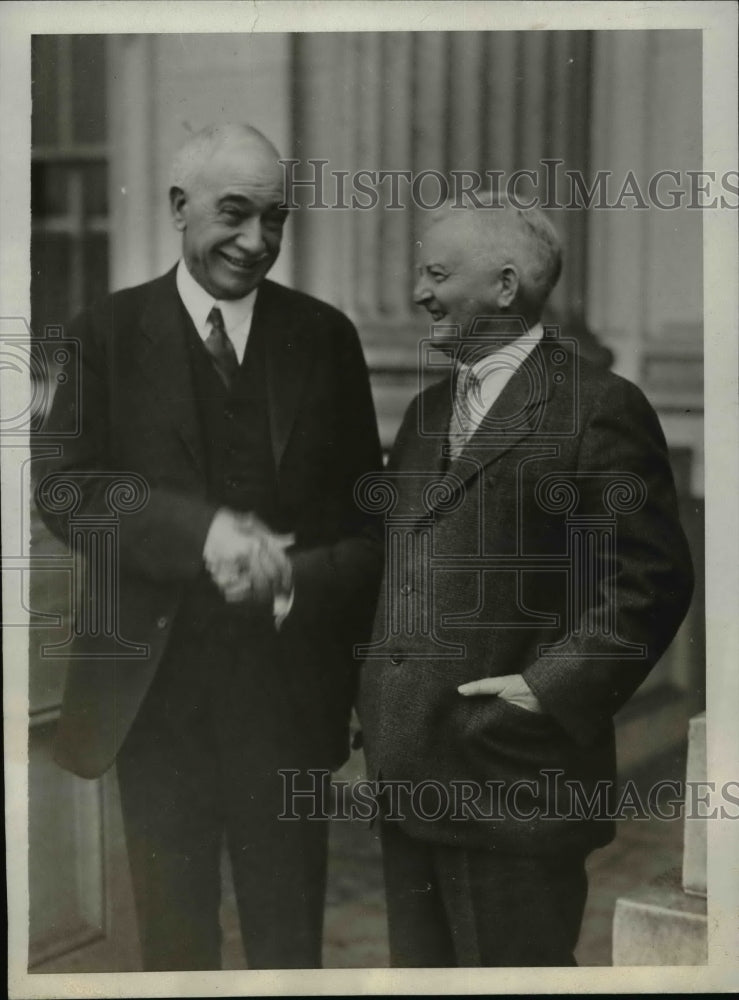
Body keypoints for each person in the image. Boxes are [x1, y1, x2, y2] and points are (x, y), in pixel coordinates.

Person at [33, 123, 383, 971]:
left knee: (289, 937)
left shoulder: (324, 336)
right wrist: (200, 533)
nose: (255, 241)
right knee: (173, 940)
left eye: (275, 219)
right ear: (178, 208)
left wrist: (293, 580)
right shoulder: (105, 332)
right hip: (153, 702)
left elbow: (366, 523)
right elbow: (65, 492)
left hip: (287, 694)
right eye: (234, 214)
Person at [357, 197, 694, 967]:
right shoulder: (424, 413)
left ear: (504, 286)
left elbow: (648, 582)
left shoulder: (599, 408)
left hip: (515, 785)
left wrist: (543, 690)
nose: (418, 292)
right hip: (409, 780)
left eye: (436, 272)